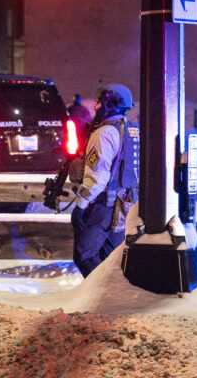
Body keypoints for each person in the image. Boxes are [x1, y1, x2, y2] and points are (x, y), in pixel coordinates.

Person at [70, 83, 139, 278]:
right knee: (110, 259)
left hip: (102, 206)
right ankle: (114, 301)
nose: (96, 106)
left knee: (84, 255)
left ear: (112, 104)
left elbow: (99, 176)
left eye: (100, 102)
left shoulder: (104, 133)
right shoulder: (134, 131)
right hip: (125, 207)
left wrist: (80, 206)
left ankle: (103, 299)